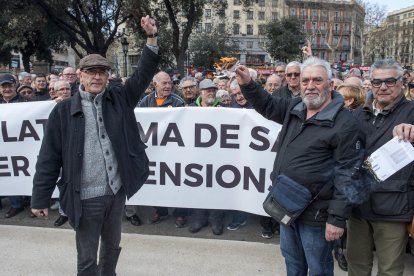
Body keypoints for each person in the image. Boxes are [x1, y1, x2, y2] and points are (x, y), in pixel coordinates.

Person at [30, 15, 160, 275]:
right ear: (80, 75)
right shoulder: (63, 112)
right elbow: (48, 158)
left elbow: (143, 74)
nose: (97, 77)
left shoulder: (119, 99)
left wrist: (151, 38)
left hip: (116, 192)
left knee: (112, 247)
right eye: (91, 72)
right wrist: (40, 198)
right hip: (84, 197)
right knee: (87, 257)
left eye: (102, 72)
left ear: (107, 75)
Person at [235, 57, 363, 275]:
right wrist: (248, 83)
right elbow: (268, 105)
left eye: (317, 80)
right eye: (305, 81)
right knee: (293, 263)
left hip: (317, 215)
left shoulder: (345, 123)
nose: (310, 86)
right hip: (286, 206)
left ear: (331, 85)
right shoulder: (296, 106)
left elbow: (347, 175)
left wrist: (336, 219)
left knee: (318, 268)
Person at [347, 59, 414, 276]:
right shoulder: (358, 114)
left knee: (390, 271)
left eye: (389, 81)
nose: (383, 87)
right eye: (376, 82)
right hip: (358, 205)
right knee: (356, 266)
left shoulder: (412, 112)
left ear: (401, 83)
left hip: (393, 208)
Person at [138, 71, 188, 228]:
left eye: (170, 83)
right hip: (154, 150)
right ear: (155, 84)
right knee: (157, 181)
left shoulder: (178, 102)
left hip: (173, 150)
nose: (168, 86)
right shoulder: (145, 101)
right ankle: (160, 210)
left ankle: (180, 214)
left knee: (177, 182)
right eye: (164, 83)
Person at [188, 79, 225, 235]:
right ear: (200, 92)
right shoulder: (189, 109)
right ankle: (199, 218)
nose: (211, 93)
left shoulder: (224, 109)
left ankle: (216, 219)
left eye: (213, 90)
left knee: (216, 188)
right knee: (197, 188)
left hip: (217, 157)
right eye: (207, 90)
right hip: (196, 157)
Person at [0, 74, 28, 218]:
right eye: (4, 87)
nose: (7, 89)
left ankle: (17, 204)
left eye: (10, 86)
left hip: (22, 147)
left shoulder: (27, 103)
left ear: (15, 86)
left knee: (15, 173)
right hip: (3, 146)